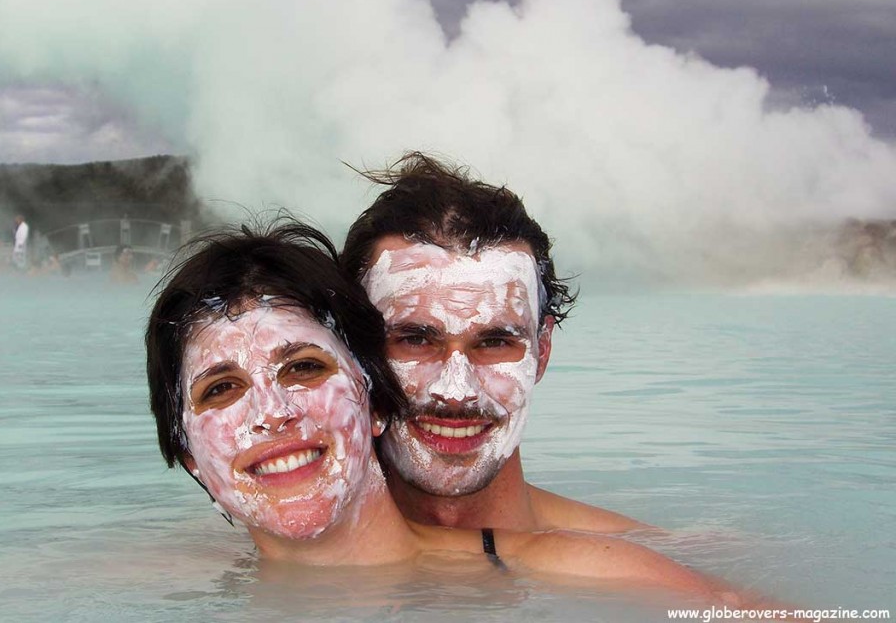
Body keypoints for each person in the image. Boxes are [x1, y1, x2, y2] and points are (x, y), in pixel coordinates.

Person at [145, 221, 747, 601]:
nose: (271, 414)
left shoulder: (592, 571)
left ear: (373, 398)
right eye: (220, 389)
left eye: (304, 367)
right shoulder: (147, 576)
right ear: (188, 454)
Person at [341, 152, 644, 533]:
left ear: (542, 350)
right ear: (352, 352)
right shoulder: (260, 563)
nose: (456, 393)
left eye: (494, 343)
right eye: (415, 340)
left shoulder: (637, 565)